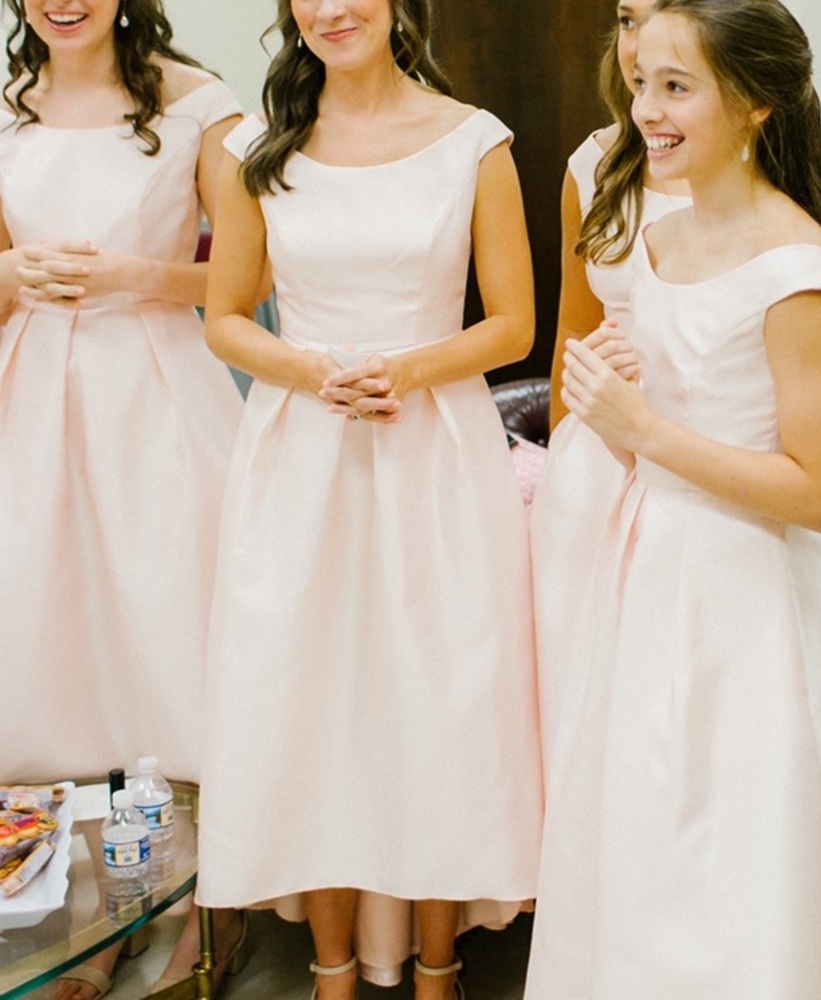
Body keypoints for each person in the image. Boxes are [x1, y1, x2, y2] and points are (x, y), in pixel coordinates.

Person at [524, 1, 821, 997]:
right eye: (641, 83)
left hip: (746, 588)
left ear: (755, 104)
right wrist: (613, 390)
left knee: (740, 842)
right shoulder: (664, 238)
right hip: (648, 567)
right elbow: (652, 401)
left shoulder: (792, 268)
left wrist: (643, 429)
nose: (646, 109)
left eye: (677, 88)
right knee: (646, 823)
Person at [194, 2, 543, 998]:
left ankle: (438, 967)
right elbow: (225, 318)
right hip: (301, 452)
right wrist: (315, 372)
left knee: (438, 696)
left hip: (433, 448)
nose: (330, 9)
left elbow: (514, 323)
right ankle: (332, 969)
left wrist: (405, 368)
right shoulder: (260, 148)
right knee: (309, 699)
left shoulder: (474, 142)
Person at [0, 1, 250, 996]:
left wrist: (140, 273)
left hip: (153, 391)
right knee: (58, 659)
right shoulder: (7, 107)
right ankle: (96, 918)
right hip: (32, 393)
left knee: (167, 654)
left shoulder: (198, 104)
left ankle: (203, 909)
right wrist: (12, 269)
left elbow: (251, 273)